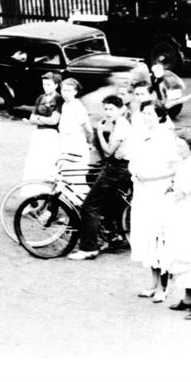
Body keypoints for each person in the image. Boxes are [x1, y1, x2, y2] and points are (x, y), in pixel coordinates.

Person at [128, 99, 182, 302]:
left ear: (160, 116)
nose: (146, 117)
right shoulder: (141, 136)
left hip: (159, 192)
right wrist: (136, 174)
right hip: (142, 191)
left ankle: (164, 287)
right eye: (144, 113)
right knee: (146, 236)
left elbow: (176, 167)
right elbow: (133, 161)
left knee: (160, 237)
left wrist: (150, 177)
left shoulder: (166, 137)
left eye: (150, 113)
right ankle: (153, 283)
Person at [68, 95, 134, 260]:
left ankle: (88, 248)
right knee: (107, 205)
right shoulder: (119, 123)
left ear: (121, 110)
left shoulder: (122, 126)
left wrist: (98, 132)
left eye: (111, 109)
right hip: (117, 167)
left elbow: (108, 152)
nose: (108, 112)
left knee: (89, 206)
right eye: (105, 109)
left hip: (117, 169)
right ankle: (110, 238)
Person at [162, 134, 191, 319]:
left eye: (180, 145)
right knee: (182, 256)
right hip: (183, 213)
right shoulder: (188, 162)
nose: (177, 149)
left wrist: (165, 201)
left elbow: (182, 192)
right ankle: (188, 298)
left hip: (187, 213)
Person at [21, 72, 64, 196]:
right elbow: (31, 117)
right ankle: (32, 198)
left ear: (56, 85)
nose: (46, 87)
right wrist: (40, 119)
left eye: (49, 84)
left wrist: (38, 119)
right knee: (34, 165)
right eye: (44, 84)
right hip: (38, 134)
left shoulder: (58, 99)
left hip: (51, 136)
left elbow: (54, 120)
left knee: (47, 166)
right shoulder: (40, 98)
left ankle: (46, 198)